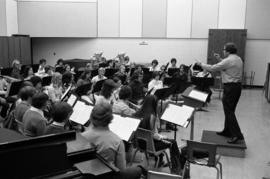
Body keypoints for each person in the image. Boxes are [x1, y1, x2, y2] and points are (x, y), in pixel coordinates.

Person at [196, 42, 244, 144]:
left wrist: (201, 64)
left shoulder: (229, 60)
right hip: (236, 87)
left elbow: (213, 68)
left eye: (224, 49)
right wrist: (219, 59)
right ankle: (227, 130)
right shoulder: (237, 58)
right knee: (230, 110)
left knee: (229, 112)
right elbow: (227, 65)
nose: (223, 51)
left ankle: (236, 135)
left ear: (228, 51)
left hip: (230, 87)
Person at [82, 103, 145, 179]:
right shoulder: (117, 141)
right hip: (107, 176)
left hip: (84, 175)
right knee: (139, 170)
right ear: (111, 119)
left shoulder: (81, 137)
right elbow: (121, 170)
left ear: (91, 117)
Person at [133, 95, 182, 174]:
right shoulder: (152, 116)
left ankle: (160, 160)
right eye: (157, 103)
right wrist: (162, 137)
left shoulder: (137, 113)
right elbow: (153, 136)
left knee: (162, 138)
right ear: (153, 104)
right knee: (173, 142)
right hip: (151, 146)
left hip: (140, 144)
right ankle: (177, 168)